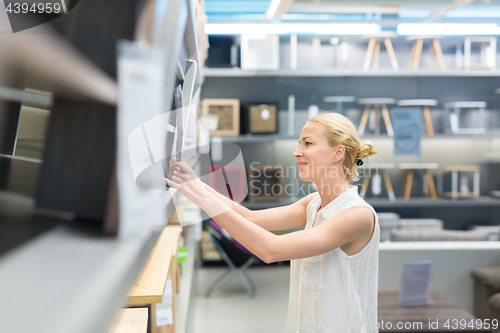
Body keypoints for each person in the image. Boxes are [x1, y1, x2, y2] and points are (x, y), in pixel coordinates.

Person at [165, 112, 379, 333]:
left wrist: (201, 197)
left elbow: (271, 250)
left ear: (338, 153)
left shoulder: (356, 215)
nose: (297, 152)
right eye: (299, 144)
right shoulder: (313, 203)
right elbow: (251, 218)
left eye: (308, 143)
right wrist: (197, 186)